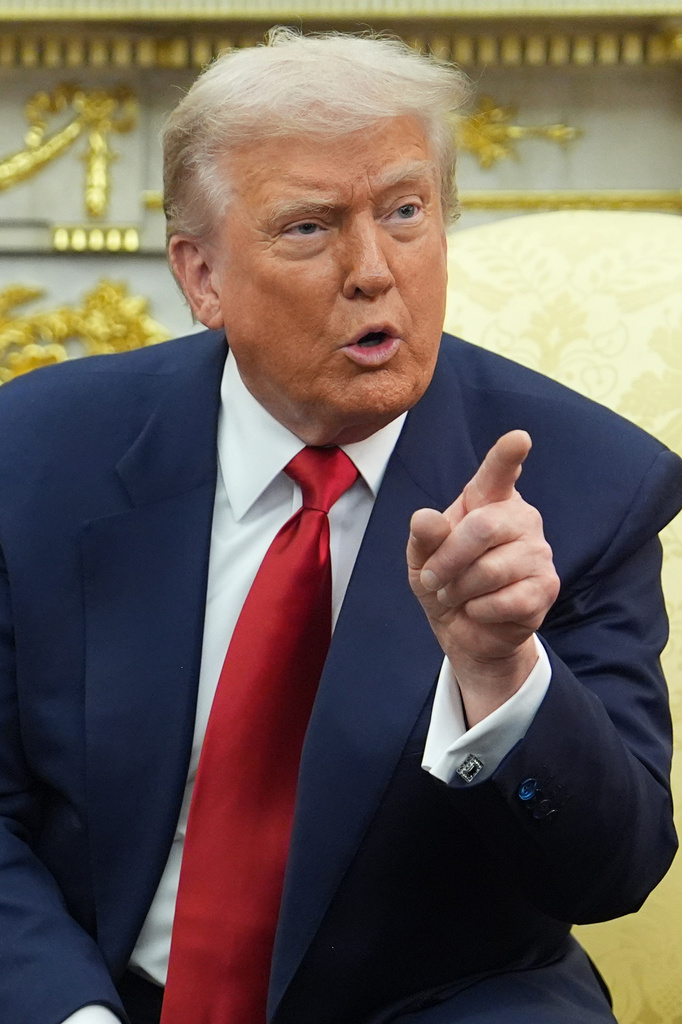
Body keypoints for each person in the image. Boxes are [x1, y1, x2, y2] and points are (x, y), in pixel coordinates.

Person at [0, 28, 680, 1024]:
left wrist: (504, 674)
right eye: (310, 228)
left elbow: (608, 872)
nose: (374, 269)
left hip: (431, 1004)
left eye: (405, 211)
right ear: (201, 278)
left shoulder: (583, 487)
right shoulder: (39, 450)